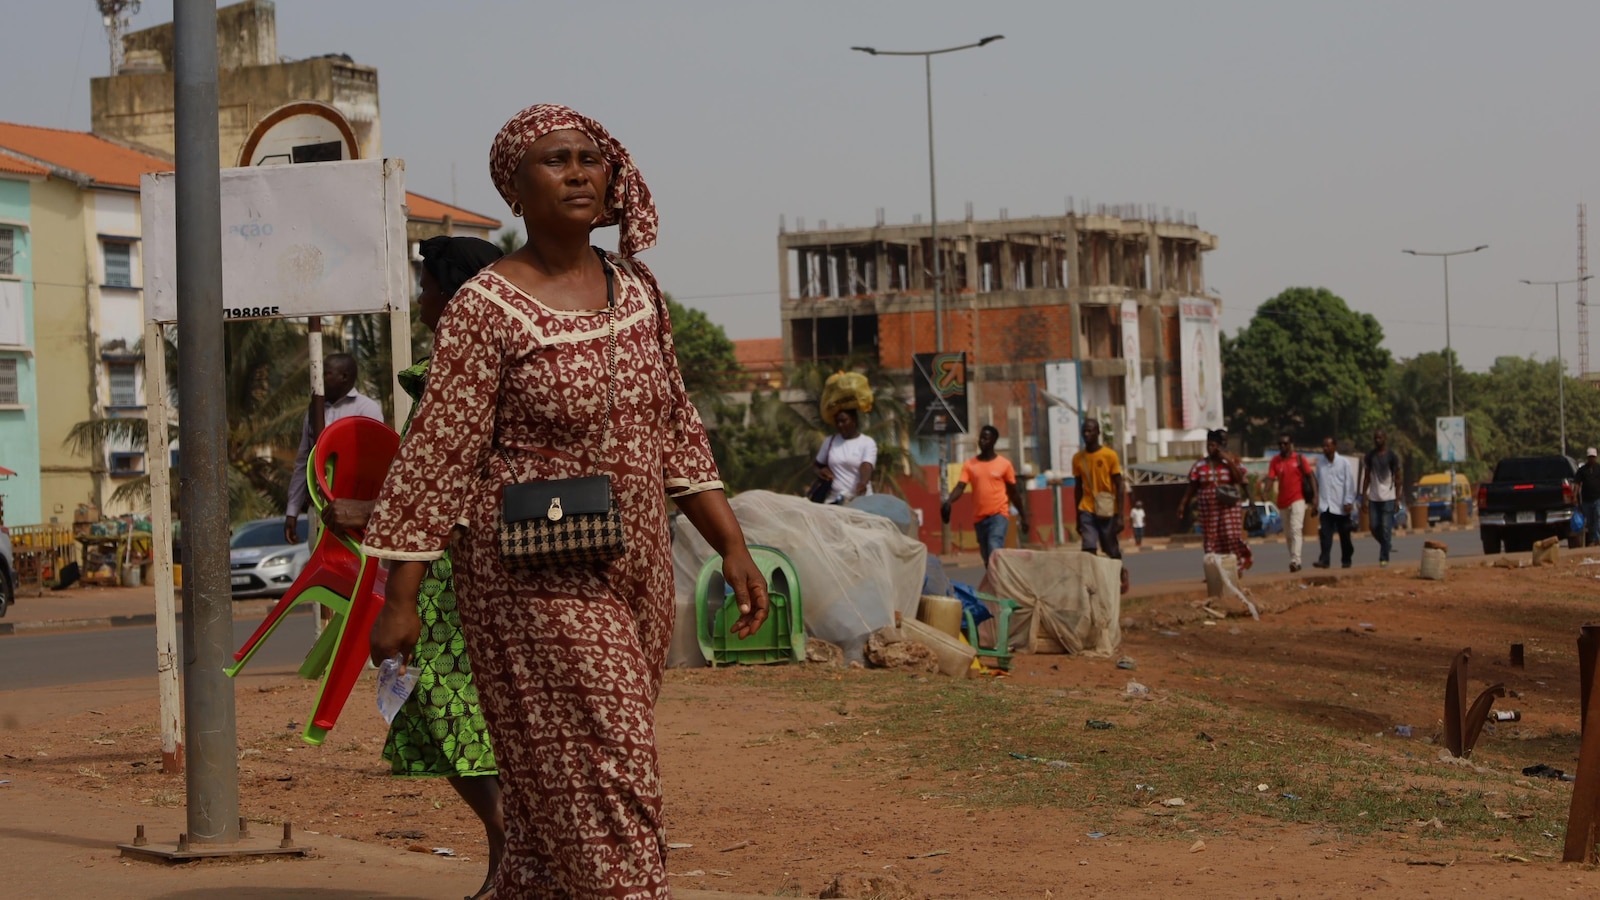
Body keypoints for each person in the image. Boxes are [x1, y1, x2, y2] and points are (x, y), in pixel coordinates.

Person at [362, 104, 770, 898]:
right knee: (611, 765)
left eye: (590, 157)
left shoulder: (639, 290)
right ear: (515, 190)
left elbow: (677, 427)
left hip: (640, 566)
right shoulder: (485, 308)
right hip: (532, 575)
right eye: (555, 160)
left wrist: (731, 544)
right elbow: (440, 452)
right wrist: (399, 599)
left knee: (566, 787)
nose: (579, 171)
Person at [325, 236, 506, 899]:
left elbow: (447, 484)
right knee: (474, 722)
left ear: (454, 291)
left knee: (441, 708)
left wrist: (375, 523)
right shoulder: (478, 364)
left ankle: (509, 840)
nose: (420, 297)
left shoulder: (457, 375)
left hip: (450, 574)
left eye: (428, 283)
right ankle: (504, 864)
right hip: (467, 563)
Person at [284, 352, 383, 544]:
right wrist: (292, 511)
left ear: (344, 377)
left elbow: (375, 461)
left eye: (326, 374)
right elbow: (304, 461)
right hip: (319, 508)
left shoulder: (366, 409)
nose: (318, 380)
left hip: (352, 510)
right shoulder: (314, 410)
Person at [942, 424, 1028, 567]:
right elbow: (960, 487)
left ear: (994, 441)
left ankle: (999, 585)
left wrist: (1023, 516)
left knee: (994, 547)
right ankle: (995, 584)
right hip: (979, 518)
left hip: (998, 515)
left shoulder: (1004, 464)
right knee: (987, 558)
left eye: (986, 439)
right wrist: (948, 501)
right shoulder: (970, 465)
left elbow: (1013, 492)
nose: (982, 441)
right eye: (981, 438)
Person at [1177, 428, 1253, 572]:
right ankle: (1213, 571)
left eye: (1213, 445)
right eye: (1208, 445)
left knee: (1230, 536)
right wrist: (1183, 504)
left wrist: (1227, 460)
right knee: (1211, 538)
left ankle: (1234, 568)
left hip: (1228, 507)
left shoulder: (1233, 460)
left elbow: (1240, 479)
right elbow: (1192, 486)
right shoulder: (1200, 465)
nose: (1210, 448)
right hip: (1208, 507)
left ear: (1219, 446)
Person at [1072, 419, 1130, 592]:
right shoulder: (1078, 458)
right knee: (1088, 547)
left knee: (1110, 547)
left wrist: (1120, 515)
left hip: (1106, 509)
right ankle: (1094, 583)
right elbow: (1077, 487)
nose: (1087, 434)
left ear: (1098, 433)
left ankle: (1120, 573)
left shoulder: (1109, 455)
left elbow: (1119, 484)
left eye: (1090, 431)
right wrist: (1077, 515)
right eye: (1084, 431)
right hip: (1086, 508)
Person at [1265, 432, 1318, 573]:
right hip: (1282, 502)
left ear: (1290, 445)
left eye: (1285, 443)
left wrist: (1315, 497)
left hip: (1298, 499)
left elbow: (1310, 476)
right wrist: (1265, 491)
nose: (1282, 446)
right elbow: (1270, 478)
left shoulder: (1299, 459)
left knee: (1296, 529)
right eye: (1280, 444)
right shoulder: (1275, 461)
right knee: (1288, 535)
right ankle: (1294, 560)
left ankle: (1296, 559)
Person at [813, 407, 877, 504]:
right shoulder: (830, 441)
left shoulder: (867, 442)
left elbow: (866, 465)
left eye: (843, 421)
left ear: (854, 420)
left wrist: (863, 482)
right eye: (837, 422)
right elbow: (816, 466)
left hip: (860, 500)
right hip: (834, 500)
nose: (840, 425)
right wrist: (820, 472)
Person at [1313, 436, 1358, 569]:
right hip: (1326, 506)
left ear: (1334, 446)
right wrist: (1316, 502)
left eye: (1328, 446)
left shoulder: (1344, 463)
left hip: (1341, 506)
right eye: (1324, 446)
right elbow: (1317, 483)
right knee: (1325, 535)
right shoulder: (1320, 464)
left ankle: (1347, 558)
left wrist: (1348, 501)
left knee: (1344, 535)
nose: (1325, 449)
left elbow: (1349, 483)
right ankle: (1324, 560)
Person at [1359, 428, 1402, 567]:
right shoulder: (1370, 456)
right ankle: (1386, 544)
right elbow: (1366, 477)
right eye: (1375, 438)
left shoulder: (1392, 457)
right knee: (1373, 527)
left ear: (1385, 439)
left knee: (1386, 528)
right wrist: (1363, 496)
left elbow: (1398, 478)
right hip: (1374, 498)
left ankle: (1384, 558)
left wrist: (1397, 499)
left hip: (1388, 498)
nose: (1377, 440)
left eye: (1380, 438)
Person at [1578, 448, 1600, 547]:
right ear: (1587, 458)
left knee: (1598, 518)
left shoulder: (1599, 468)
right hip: (1586, 500)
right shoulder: (1582, 470)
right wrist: (1575, 496)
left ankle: (1597, 538)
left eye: (1593, 457)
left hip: (1598, 499)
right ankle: (1592, 539)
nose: (1592, 459)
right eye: (1590, 457)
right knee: (1590, 521)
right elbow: (1577, 483)